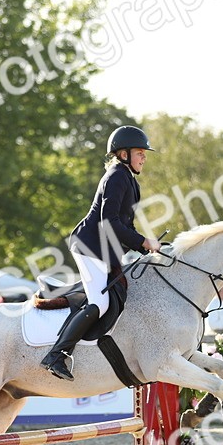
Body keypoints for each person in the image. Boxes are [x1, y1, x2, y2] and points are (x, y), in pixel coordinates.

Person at [40, 125, 161, 381]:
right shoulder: (116, 176)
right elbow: (110, 222)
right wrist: (142, 241)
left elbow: (125, 226)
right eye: (140, 153)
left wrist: (143, 246)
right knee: (100, 302)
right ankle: (57, 355)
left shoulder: (129, 179)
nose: (144, 158)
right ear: (124, 154)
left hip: (103, 250)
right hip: (89, 246)